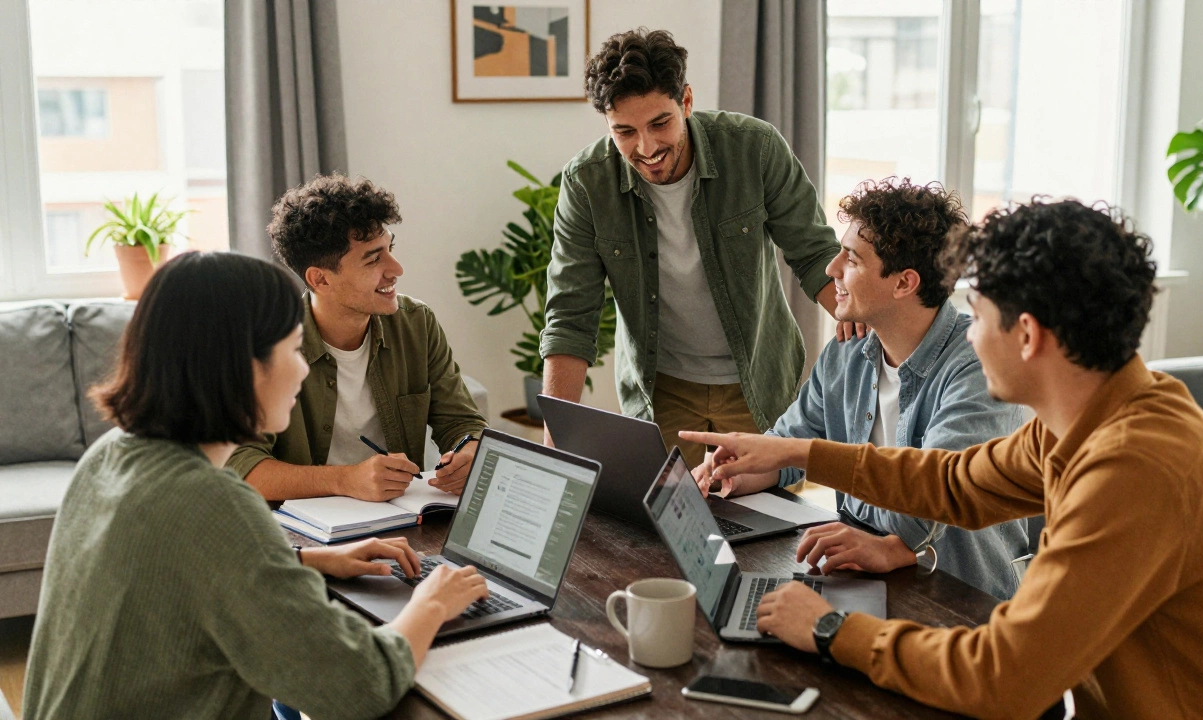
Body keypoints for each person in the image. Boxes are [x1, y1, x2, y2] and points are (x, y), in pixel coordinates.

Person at [681, 199, 1203, 718]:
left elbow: (1005, 678)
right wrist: (798, 452)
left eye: (981, 315)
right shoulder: (1095, 412)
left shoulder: (1134, 467)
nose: (968, 333)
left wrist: (830, 628)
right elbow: (957, 483)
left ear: (1027, 335)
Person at [22, 252, 490, 720]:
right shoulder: (214, 504)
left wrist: (302, 560)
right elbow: (357, 687)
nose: (304, 370)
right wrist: (432, 604)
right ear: (243, 367)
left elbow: (173, 573)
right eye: (292, 350)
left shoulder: (110, 455)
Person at [692, 178, 1028, 600]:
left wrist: (892, 544)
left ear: (905, 283)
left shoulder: (976, 366)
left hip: (959, 596)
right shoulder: (847, 352)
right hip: (861, 576)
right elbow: (789, 446)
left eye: (851, 259)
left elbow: (938, 489)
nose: (832, 269)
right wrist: (732, 473)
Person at [539, 28, 853, 462]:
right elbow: (571, 317)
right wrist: (553, 452)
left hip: (757, 381)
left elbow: (816, 255)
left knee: (768, 523)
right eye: (624, 131)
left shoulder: (755, 149)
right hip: (661, 390)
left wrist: (864, 322)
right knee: (663, 523)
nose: (646, 148)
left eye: (660, 123)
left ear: (685, 101)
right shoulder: (587, 183)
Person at [228, 174, 487, 501]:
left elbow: (464, 422)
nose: (396, 269)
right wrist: (344, 480)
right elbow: (241, 466)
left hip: (402, 520)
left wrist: (470, 453)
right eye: (373, 258)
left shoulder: (416, 323)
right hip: (305, 533)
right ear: (320, 280)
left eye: (389, 249)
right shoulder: (264, 344)